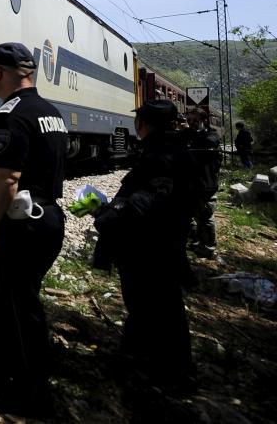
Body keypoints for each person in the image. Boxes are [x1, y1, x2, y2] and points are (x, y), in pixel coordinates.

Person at [0, 42, 67, 417]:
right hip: (49, 220)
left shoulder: (10, 116)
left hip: (22, 226)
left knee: (19, 307)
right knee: (8, 299)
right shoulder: (51, 113)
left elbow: (7, 177)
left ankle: (31, 394)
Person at [93, 100, 195, 386]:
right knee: (153, 307)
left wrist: (107, 214)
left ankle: (171, 374)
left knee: (155, 306)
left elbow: (145, 204)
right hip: (164, 243)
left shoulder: (159, 157)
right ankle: (141, 360)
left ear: (143, 124)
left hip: (148, 248)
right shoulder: (177, 153)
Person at [181, 109, 222, 258]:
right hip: (188, 183)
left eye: (195, 120)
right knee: (188, 216)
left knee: (205, 217)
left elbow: (207, 142)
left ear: (204, 120)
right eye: (189, 120)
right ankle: (195, 242)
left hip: (205, 184)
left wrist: (189, 133)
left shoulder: (212, 135)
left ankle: (209, 247)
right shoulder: (187, 135)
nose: (191, 123)